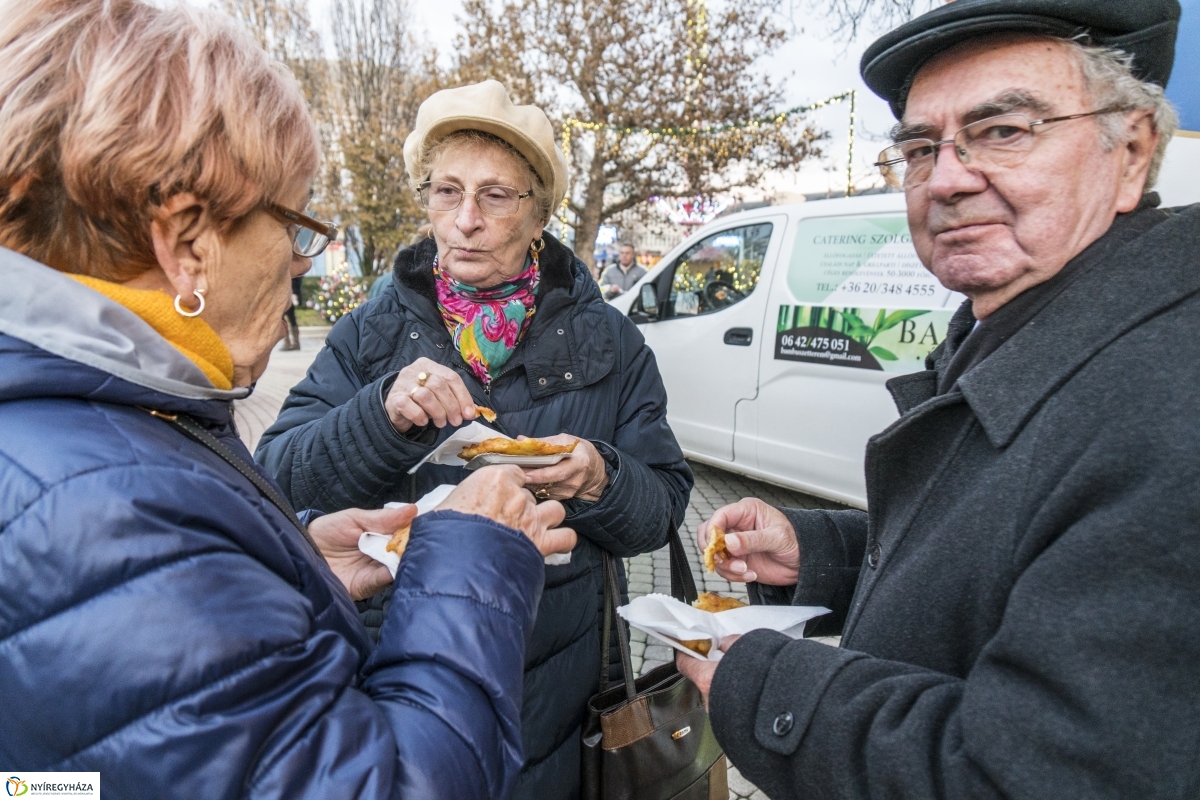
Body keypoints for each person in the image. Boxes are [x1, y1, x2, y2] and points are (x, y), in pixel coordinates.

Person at [0, 2, 577, 797]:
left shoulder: (99, 420)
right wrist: (470, 551)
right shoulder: (102, 508)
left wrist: (298, 565)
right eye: (295, 226)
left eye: (497, 196)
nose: (303, 264)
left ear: (537, 216)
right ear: (188, 243)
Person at [676, 1, 1200, 798]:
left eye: (1004, 131)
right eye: (922, 147)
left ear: (1131, 153)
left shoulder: (1170, 399)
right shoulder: (1020, 321)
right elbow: (1002, 559)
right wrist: (820, 553)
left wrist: (763, 680)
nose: (948, 179)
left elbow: (1033, 776)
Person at [255, 80, 692, 799]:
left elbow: (663, 507)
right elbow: (275, 479)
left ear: (538, 215)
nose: (465, 220)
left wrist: (599, 479)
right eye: (446, 192)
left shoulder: (611, 341)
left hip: (559, 696)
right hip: (398, 678)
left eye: (495, 196)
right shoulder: (369, 332)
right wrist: (381, 416)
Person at [281, 274, 302, 350]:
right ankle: (291, 343)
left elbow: (297, 279)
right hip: (284, 294)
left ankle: (292, 343)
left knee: (288, 318)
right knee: (284, 318)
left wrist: (295, 292)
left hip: (289, 294)